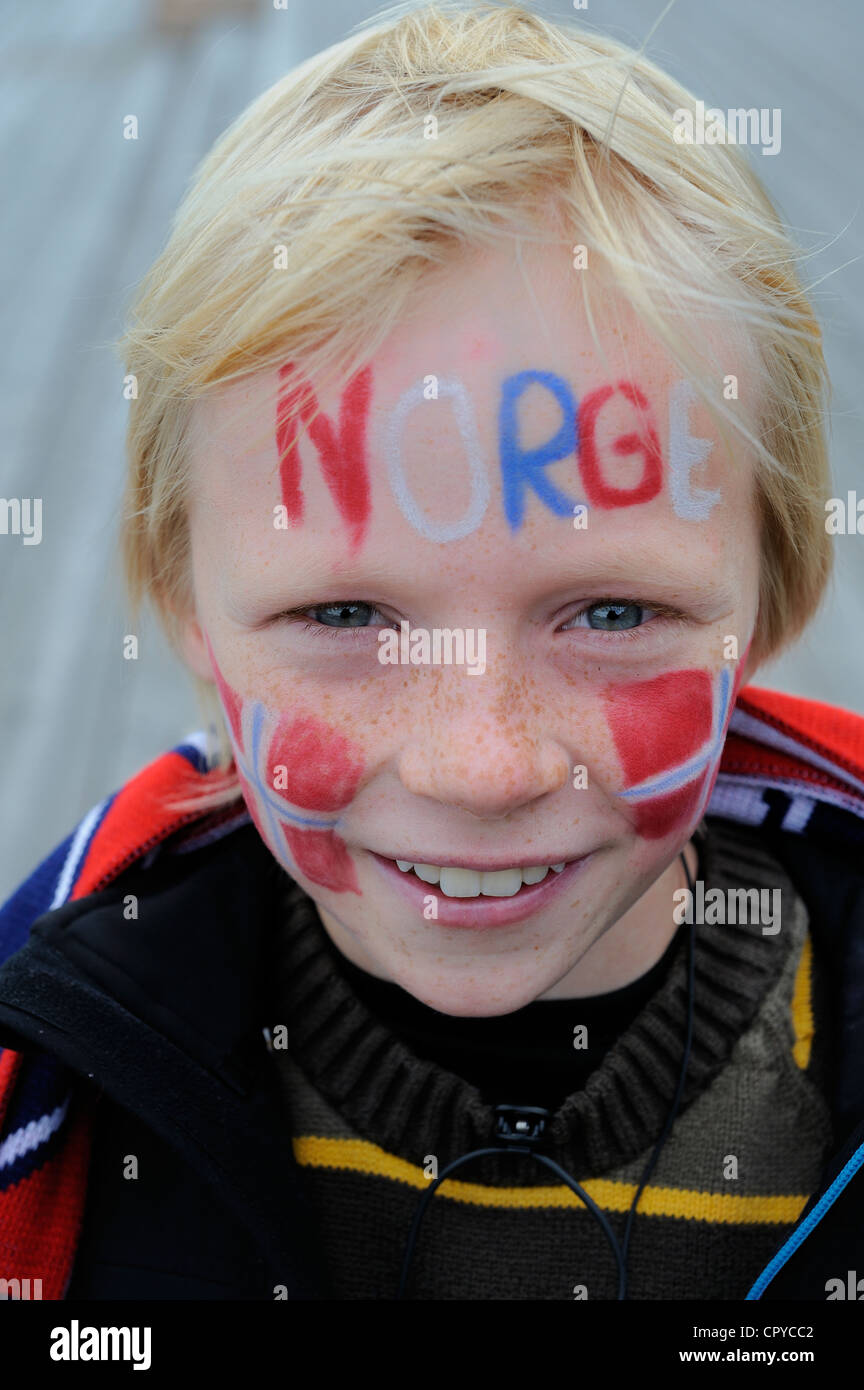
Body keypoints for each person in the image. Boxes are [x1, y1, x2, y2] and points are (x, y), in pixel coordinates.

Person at [2, 0, 863, 1302]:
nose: (481, 764)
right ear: (189, 607)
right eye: (346, 619)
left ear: (777, 595)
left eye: (611, 614)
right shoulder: (55, 1091)